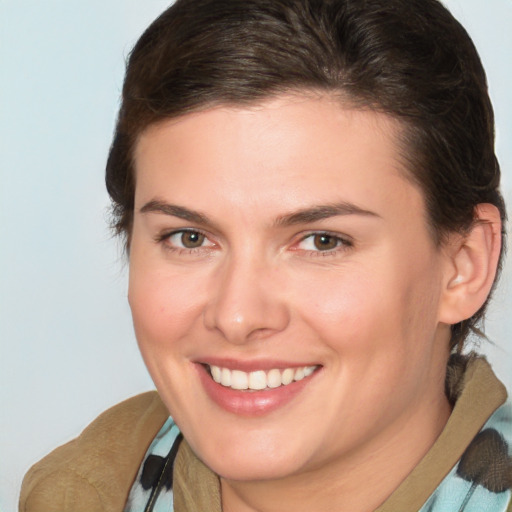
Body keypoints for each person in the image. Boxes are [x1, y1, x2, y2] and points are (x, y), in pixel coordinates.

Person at [19, 0, 511, 511]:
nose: (237, 316)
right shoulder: (79, 491)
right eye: (189, 238)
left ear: (463, 264)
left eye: (322, 241)